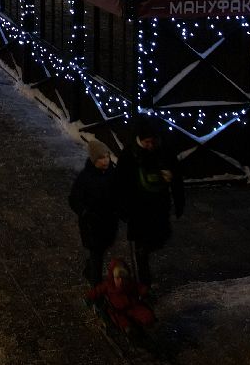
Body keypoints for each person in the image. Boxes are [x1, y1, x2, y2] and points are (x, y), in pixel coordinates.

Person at [116, 120, 186, 290]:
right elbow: (119, 183)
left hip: (159, 205)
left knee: (159, 239)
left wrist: (178, 201)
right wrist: (122, 208)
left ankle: (144, 258)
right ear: (140, 140)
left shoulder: (165, 151)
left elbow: (177, 179)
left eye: (153, 142)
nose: (150, 146)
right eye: (147, 142)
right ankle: (143, 285)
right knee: (141, 248)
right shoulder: (129, 154)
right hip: (138, 208)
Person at [68, 137, 122, 287]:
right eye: (101, 158)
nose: (105, 161)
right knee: (97, 254)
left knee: (100, 251)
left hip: (109, 221)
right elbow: (74, 199)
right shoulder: (85, 178)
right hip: (92, 225)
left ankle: (90, 269)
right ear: (93, 160)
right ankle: (96, 288)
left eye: (106, 156)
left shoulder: (113, 174)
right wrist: (85, 213)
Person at [86, 256, 156, 343]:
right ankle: (133, 336)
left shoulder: (129, 283)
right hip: (117, 311)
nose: (121, 281)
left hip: (133, 306)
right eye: (118, 278)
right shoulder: (108, 285)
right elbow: (97, 291)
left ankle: (146, 333)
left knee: (147, 316)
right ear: (113, 277)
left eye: (124, 278)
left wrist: (146, 291)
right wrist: (89, 297)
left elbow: (139, 287)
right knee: (126, 326)